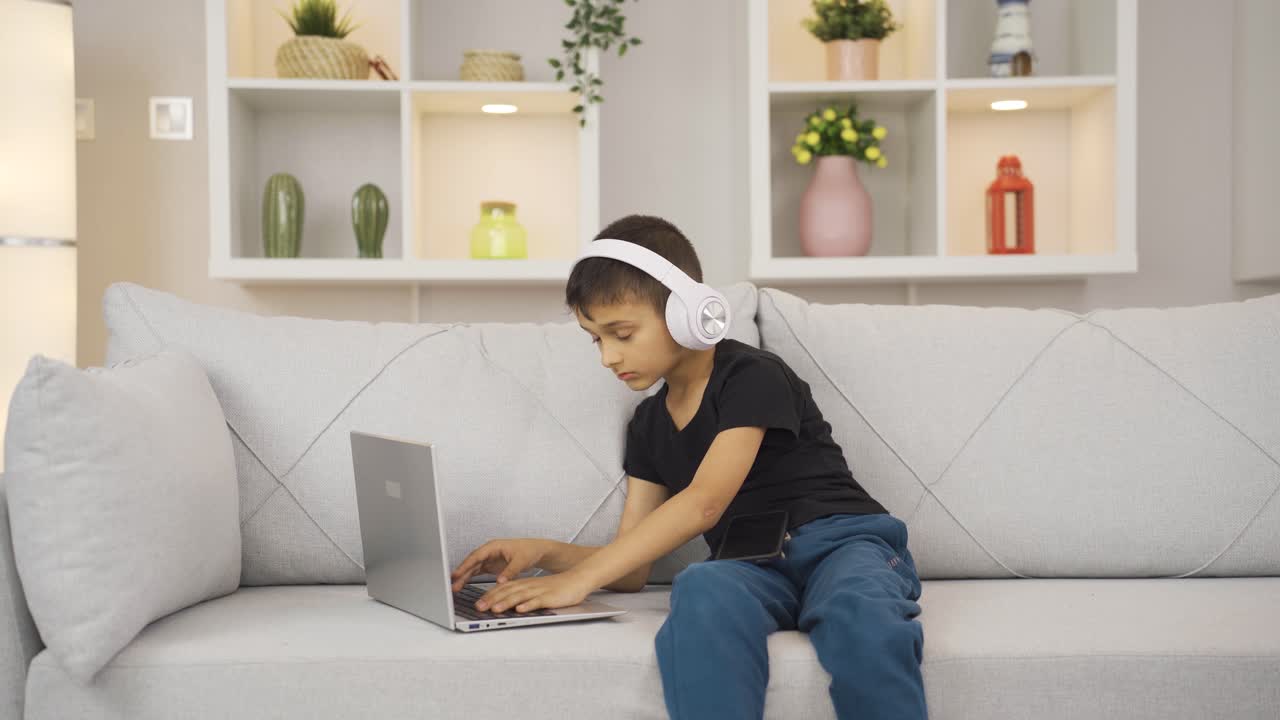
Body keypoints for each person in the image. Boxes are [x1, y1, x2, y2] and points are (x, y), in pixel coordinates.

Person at [450, 215, 927, 720]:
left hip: (842, 541)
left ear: (688, 311)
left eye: (622, 333)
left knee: (861, 611)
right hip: (751, 562)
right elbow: (633, 570)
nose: (608, 357)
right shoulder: (648, 425)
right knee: (700, 586)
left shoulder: (752, 374)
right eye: (596, 339)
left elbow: (706, 501)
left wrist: (581, 580)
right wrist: (545, 553)